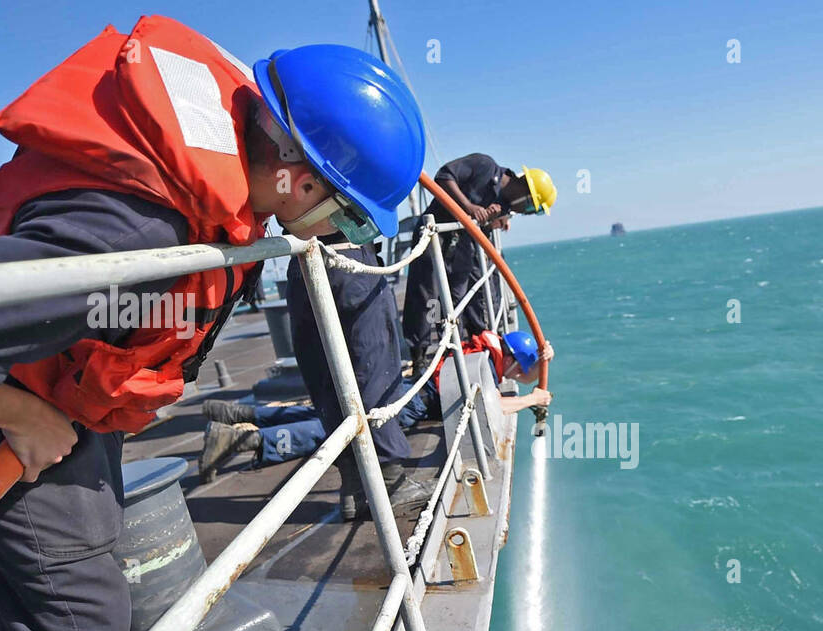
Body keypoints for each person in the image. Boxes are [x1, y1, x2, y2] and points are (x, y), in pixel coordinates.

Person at [0, 19, 426, 631]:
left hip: (52, 389)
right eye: (342, 213)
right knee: (86, 616)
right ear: (295, 176)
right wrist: (22, 415)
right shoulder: (128, 241)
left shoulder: (226, 166)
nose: (339, 235)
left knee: (64, 601)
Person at [199, 230, 428, 519]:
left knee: (330, 391)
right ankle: (390, 482)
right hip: (348, 258)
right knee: (374, 384)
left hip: (305, 261)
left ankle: (250, 420)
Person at [401, 155, 556, 371]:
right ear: (524, 189)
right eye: (530, 207)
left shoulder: (503, 203)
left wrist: (493, 218)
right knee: (427, 296)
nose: (523, 213)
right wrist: (469, 207)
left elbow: (488, 221)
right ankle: (419, 355)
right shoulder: (484, 165)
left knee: (456, 299)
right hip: (435, 233)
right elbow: (443, 176)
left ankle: (451, 350)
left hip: (462, 245)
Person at [400, 330, 555, 427]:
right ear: (509, 360)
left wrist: (543, 362)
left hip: (417, 393)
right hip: (412, 404)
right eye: (521, 368)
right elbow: (496, 407)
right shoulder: (484, 365)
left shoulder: (490, 354)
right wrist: (533, 399)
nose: (522, 373)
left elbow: (526, 378)